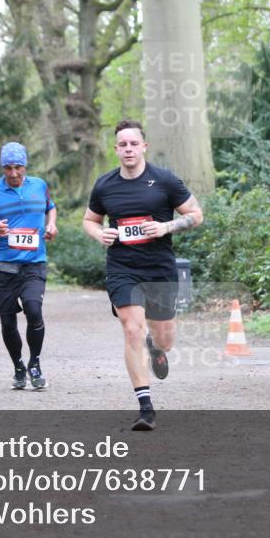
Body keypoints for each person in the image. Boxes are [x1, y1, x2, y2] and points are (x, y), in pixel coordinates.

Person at [82, 119, 203, 431]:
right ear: (115, 149)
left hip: (159, 268)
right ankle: (145, 407)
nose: (128, 149)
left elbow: (195, 215)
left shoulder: (164, 180)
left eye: (134, 144)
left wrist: (165, 226)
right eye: (122, 145)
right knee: (131, 328)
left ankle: (157, 347)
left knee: (165, 338)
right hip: (122, 268)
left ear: (144, 146)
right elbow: (89, 220)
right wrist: (100, 234)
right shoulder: (105, 185)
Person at [0, 142, 57, 390]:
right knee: (8, 323)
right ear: (2, 168)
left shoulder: (39, 186)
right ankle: (19, 367)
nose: (13, 173)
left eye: (18, 167)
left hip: (33, 264)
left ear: (25, 166)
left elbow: (51, 209)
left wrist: (51, 226)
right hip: (3, 268)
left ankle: (35, 364)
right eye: (8, 168)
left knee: (34, 310)